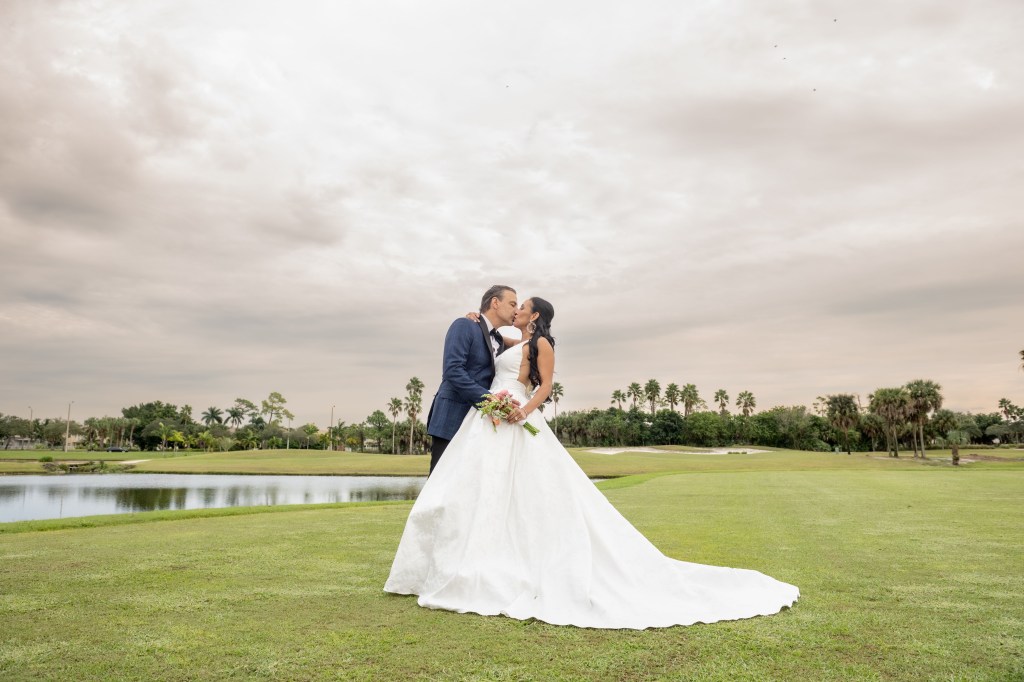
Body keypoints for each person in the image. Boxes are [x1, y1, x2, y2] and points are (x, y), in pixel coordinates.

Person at [385, 297, 799, 629]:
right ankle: (456, 561)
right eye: (513, 304)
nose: (517, 310)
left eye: (523, 306)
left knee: (516, 489)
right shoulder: (508, 340)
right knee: (471, 489)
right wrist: (480, 330)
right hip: (486, 416)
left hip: (510, 413)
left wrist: (523, 410)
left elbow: (545, 385)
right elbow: (491, 356)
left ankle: (501, 563)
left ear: (535, 315)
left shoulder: (540, 344)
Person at [425, 284, 518, 474]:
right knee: (439, 484)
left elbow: (526, 346)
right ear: (495, 303)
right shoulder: (464, 325)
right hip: (452, 416)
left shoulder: (499, 340)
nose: (516, 311)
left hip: (477, 422)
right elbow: (453, 370)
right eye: (512, 304)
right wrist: (489, 399)